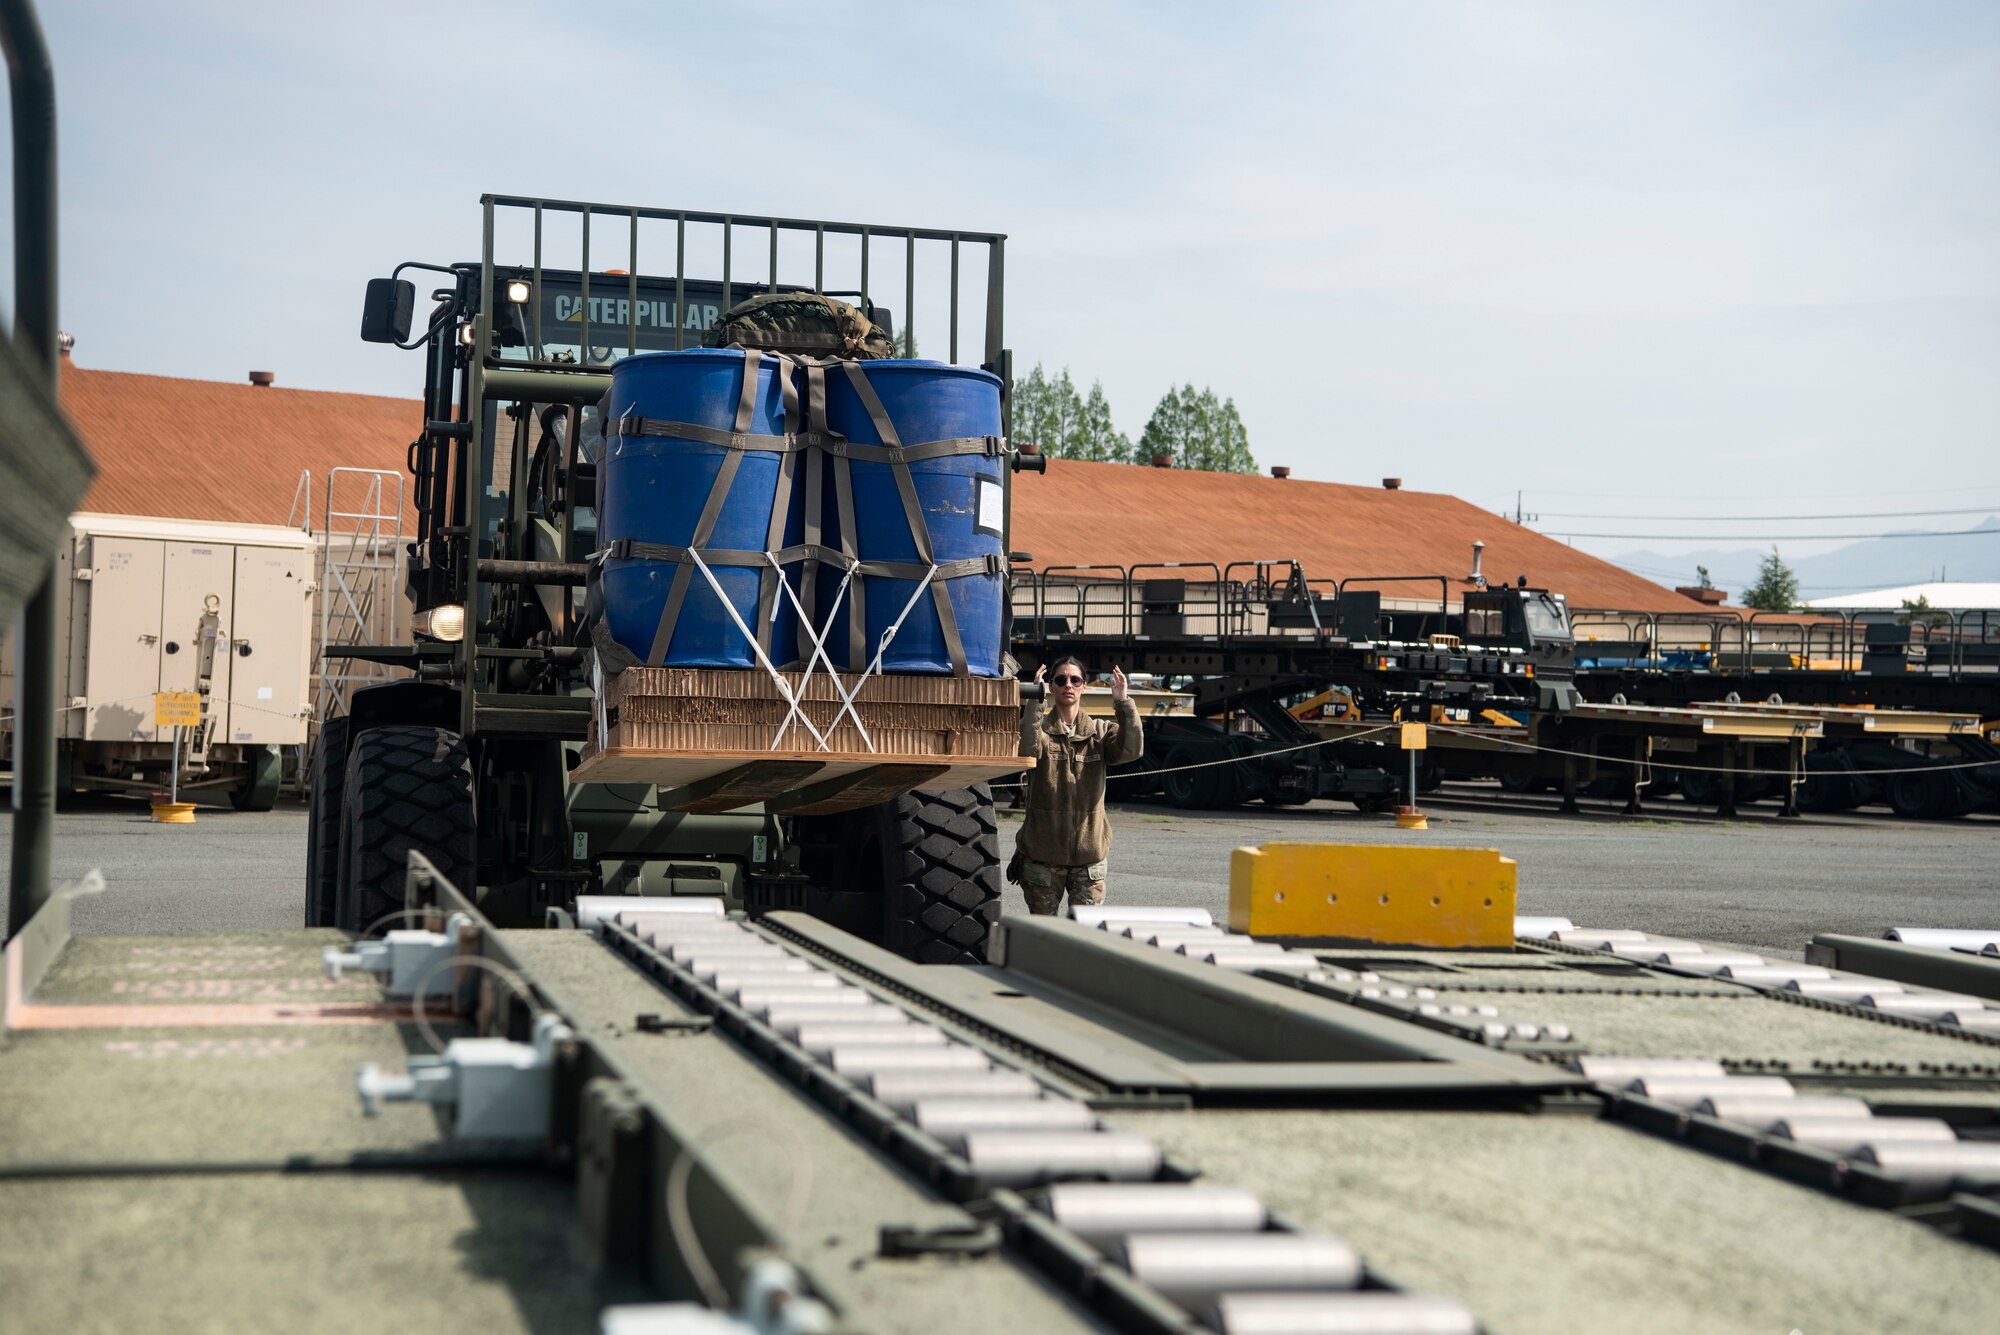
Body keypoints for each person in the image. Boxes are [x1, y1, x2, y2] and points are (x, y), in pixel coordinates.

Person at [1011, 656, 1143, 915]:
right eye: (1060, 680)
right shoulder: (1043, 732)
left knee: (1085, 938)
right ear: (1052, 687)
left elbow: (1131, 750)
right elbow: (1026, 749)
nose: (1067, 685)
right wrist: (1035, 702)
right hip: (1043, 859)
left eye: (1075, 680)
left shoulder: (1100, 732)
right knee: (1044, 935)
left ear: (1084, 686)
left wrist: (1123, 701)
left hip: (1089, 860)